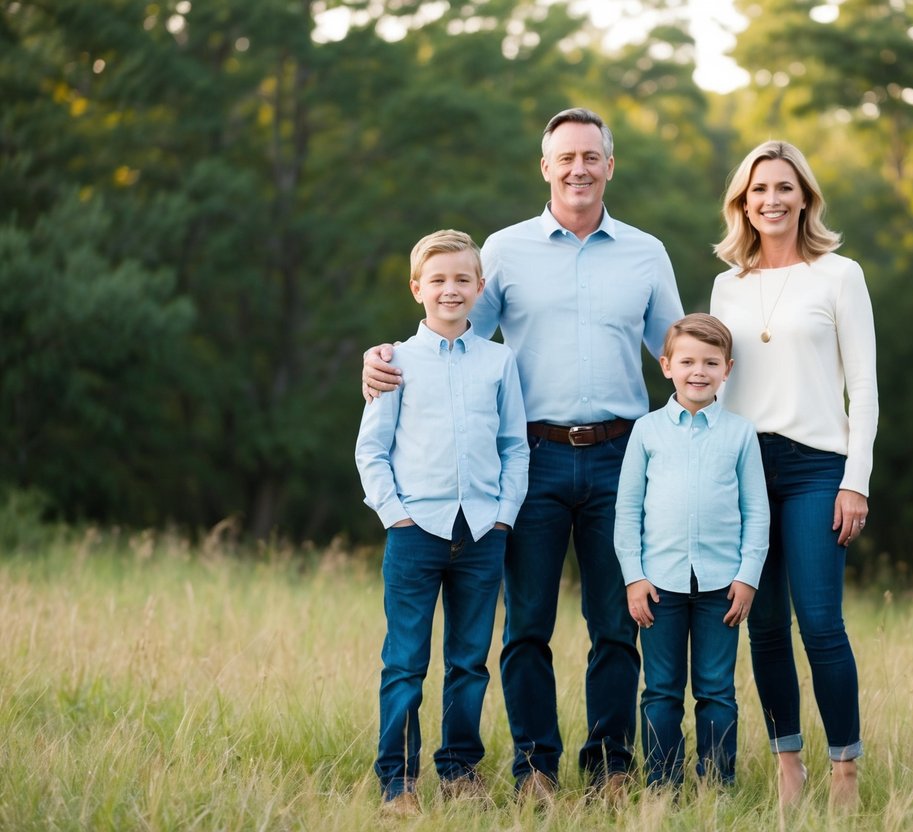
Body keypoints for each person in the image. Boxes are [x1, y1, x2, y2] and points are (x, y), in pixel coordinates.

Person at [362, 108, 684, 799]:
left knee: (616, 623)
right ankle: (535, 767)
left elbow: (680, 357)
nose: (578, 168)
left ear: (609, 165)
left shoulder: (645, 253)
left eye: (590, 156)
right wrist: (380, 360)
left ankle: (609, 768)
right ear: (544, 167)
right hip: (527, 460)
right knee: (526, 626)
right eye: (564, 157)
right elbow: (448, 339)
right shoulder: (501, 251)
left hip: (619, 458)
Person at [709, 140, 878, 809]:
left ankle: (844, 771)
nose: (771, 200)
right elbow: (715, 388)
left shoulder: (839, 276)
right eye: (758, 190)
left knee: (819, 623)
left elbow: (862, 387)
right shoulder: (729, 284)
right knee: (763, 626)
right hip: (745, 467)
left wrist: (855, 479)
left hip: (816, 468)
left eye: (784, 188)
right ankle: (787, 767)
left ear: (804, 196)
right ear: (741, 203)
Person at [354, 229, 529, 814]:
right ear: (416, 288)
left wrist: (504, 517)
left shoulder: (499, 360)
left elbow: (515, 446)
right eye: (438, 280)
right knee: (405, 660)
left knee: (469, 662)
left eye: (462, 279)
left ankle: (458, 771)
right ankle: (397, 782)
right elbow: (371, 450)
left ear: (480, 287)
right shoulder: (394, 362)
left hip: (481, 533)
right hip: (415, 532)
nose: (450, 290)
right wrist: (395, 516)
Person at [614, 313, 769, 789]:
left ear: (728, 369)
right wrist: (634, 577)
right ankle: (662, 786)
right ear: (666, 366)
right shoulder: (646, 431)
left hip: (722, 586)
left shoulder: (741, 434)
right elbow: (626, 513)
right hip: (658, 585)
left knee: (717, 691)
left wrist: (747, 577)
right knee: (660, 691)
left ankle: (717, 786)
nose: (698, 371)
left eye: (711, 362)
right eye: (687, 361)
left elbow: (756, 512)